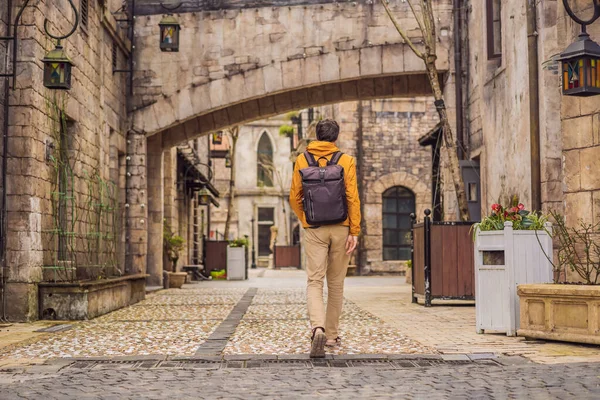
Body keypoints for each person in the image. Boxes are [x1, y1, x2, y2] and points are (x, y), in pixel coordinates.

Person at [289, 119, 361, 358]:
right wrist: (354, 230)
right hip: (341, 227)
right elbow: (352, 196)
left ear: (316, 137)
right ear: (336, 138)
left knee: (315, 281)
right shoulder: (346, 160)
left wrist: (307, 219)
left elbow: (294, 197)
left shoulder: (302, 159)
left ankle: (317, 327)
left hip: (316, 229)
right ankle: (330, 336)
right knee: (337, 283)